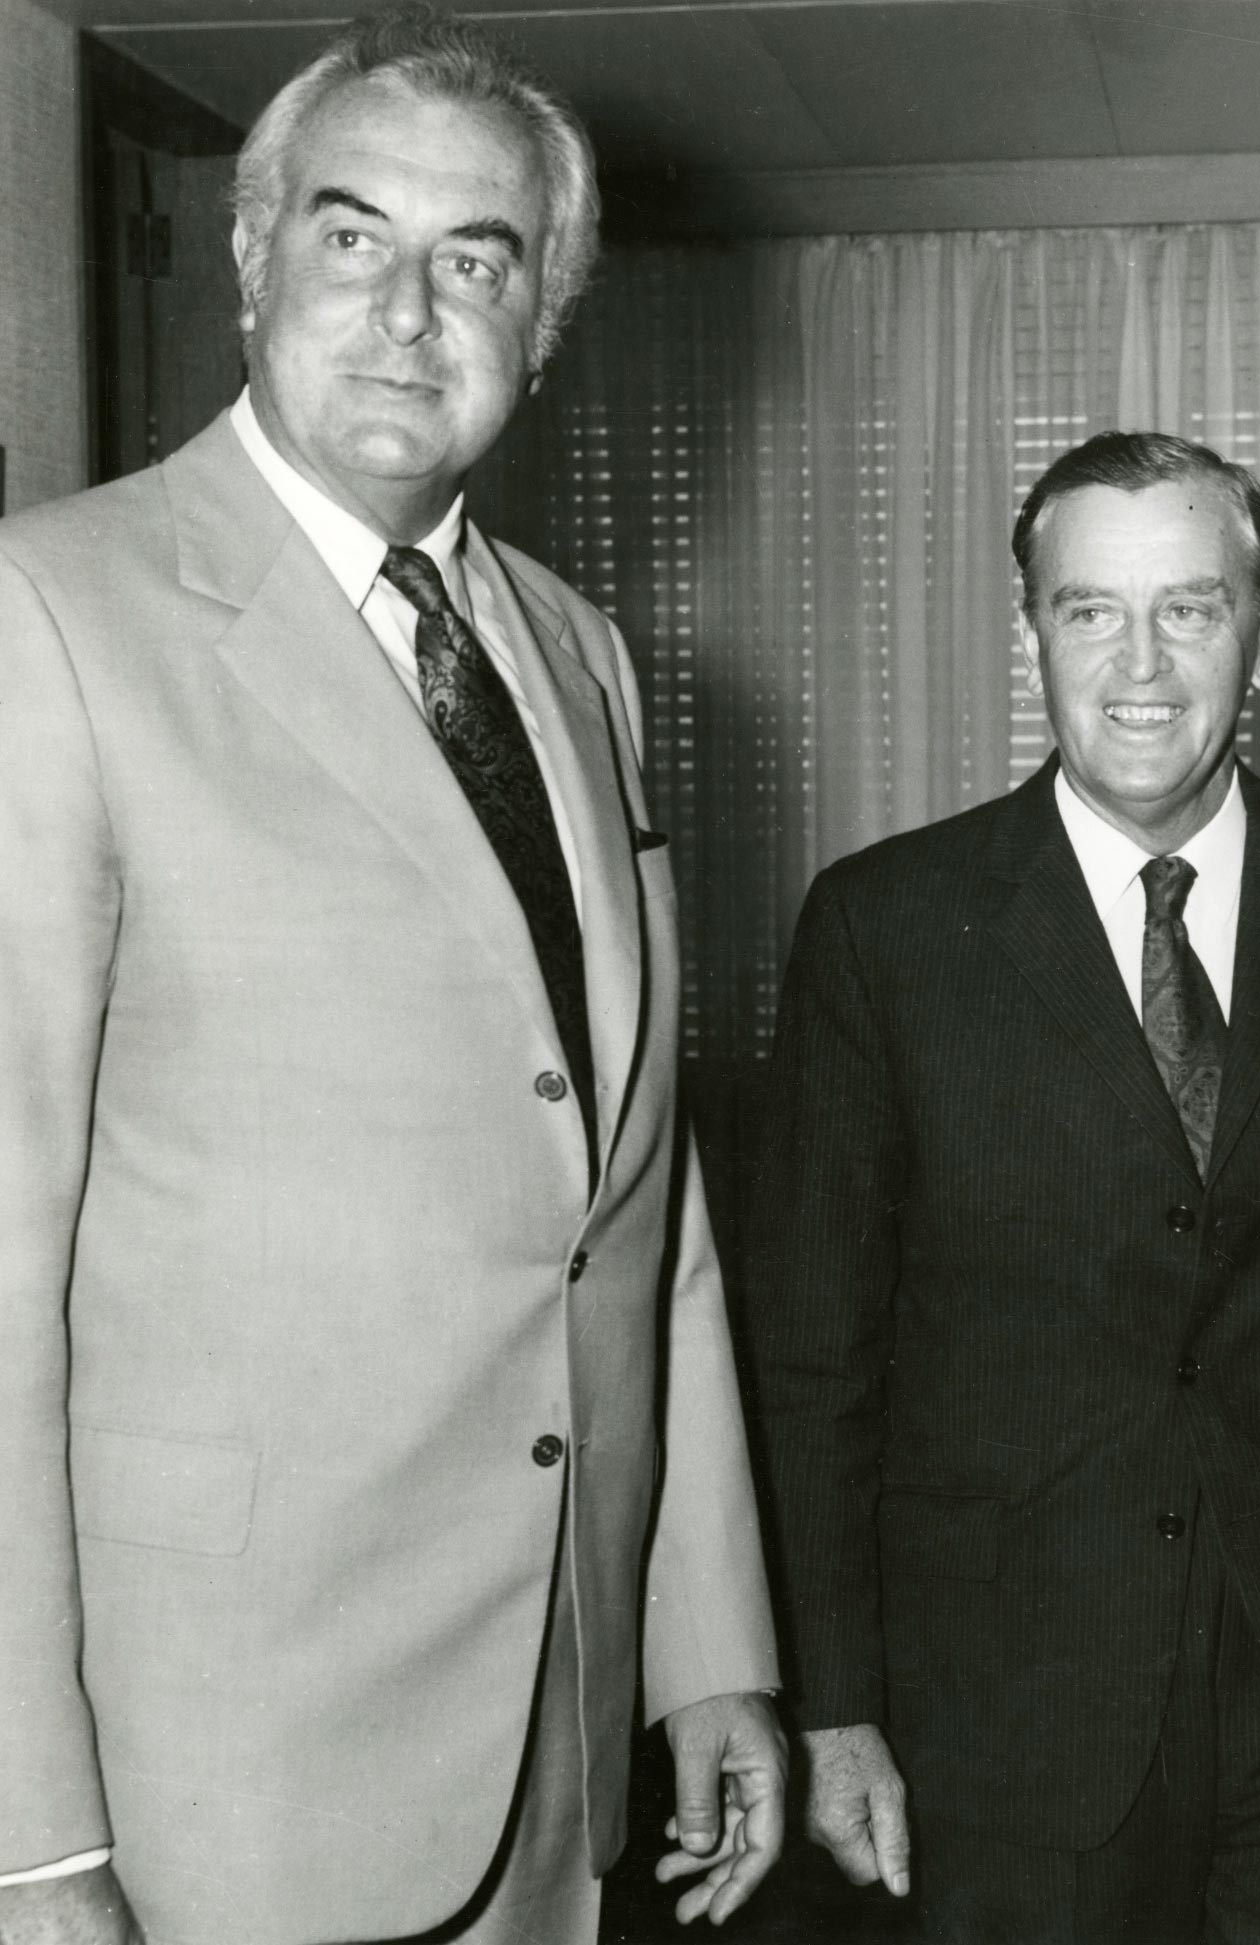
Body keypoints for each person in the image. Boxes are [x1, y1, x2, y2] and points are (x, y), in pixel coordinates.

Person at [0, 10, 784, 1942]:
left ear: (548, 317)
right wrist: (31, 1837)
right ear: (256, 258)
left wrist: (705, 1645)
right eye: (352, 237)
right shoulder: (52, 614)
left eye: (477, 258)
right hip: (218, 1776)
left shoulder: (577, 655)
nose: (409, 313)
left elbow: (630, 1196)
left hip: (552, 1752)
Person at [745, 431, 1260, 1942]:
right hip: (1021, 1706)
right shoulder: (884, 929)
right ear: (1031, 631)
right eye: (1090, 609)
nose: (1139, 664)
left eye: (1192, 607)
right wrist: (833, 1706)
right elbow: (812, 1359)